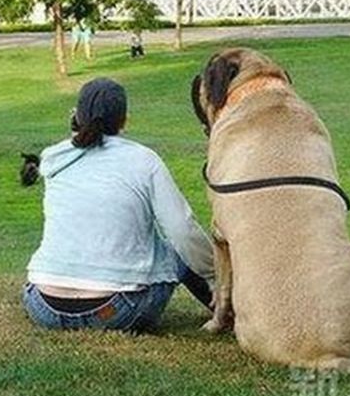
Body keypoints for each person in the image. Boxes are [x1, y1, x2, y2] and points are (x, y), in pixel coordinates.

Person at [22, 78, 214, 333]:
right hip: (113, 311)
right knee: (179, 250)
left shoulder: (53, 157)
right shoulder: (144, 160)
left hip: (43, 306)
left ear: (77, 115)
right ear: (124, 120)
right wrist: (215, 271)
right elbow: (182, 230)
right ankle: (228, 310)